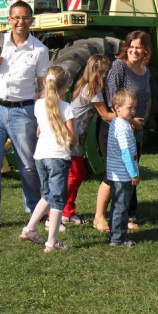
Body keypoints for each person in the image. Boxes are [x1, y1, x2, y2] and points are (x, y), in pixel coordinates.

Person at [0, 0, 49, 231]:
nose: (20, 22)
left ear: (31, 20)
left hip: (23, 111)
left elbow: (43, 85)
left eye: (25, 18)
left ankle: (33, 211)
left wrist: (43, 117)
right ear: (9, 19)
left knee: (27, 166)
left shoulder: (39, 50)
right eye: (16, 18)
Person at [92, 30, 151, 234]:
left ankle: (126, 215)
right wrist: (132, 121)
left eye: (139, 47)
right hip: (114, 130)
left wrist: (139, 125)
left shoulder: (145, 70)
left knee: (130, 171)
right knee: (113, 174)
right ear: (126, 48)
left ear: (146, 49)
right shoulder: (119, 67)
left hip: (135, 131)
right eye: (131, 47)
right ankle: (99, 216)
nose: (134, 50)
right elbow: (111, 104)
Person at [19, 66, 75, 252]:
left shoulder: (37, 105)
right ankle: (52, 242)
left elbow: (40, 129)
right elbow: (72, 137)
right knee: (58, 200)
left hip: (40, 156)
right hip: (57, 157)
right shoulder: (66, 108)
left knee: (48, 195)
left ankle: (30, 229)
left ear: (45, 83)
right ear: (65, 87)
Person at [66, 54, 113, 225]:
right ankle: (63, 212)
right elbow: (105, 114)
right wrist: (127, 117)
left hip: (75, 136)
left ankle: (68, 211)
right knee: (75, 174)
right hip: (71, 137)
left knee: (75, 174)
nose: (107, 77)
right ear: (96, 73)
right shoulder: (93, 89)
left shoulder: (83, 85)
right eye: (104, 73)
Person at [107, 87, 140, 247]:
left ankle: (114, 234)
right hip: (123, 175)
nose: (133, 111)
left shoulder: (116, 122)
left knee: (117, 205)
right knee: (121, 206)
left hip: (115, 174)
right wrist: (133, 174)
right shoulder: (123, 128)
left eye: (134, 107)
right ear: (117, 107)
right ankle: (118, 238)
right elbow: (126, 154)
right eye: (129, 108)